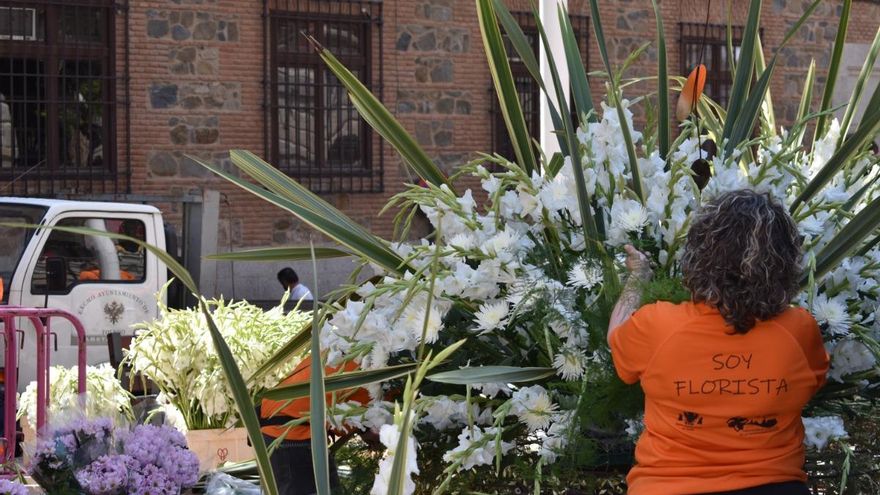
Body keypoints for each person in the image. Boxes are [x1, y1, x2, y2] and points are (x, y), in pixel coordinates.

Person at [607, 190, 828, 495]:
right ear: (785, 263)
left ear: (699, 254)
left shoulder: (658, 326)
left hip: (668, 487)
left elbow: (615, 338)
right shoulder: (799, 331)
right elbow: (812, 383)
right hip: (775, 485)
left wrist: (638, 277)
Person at [259, 356, 370, 495]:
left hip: (277, 428)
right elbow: (346, 422)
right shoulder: (379, 377)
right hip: (292, 436)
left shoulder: (343, 346)